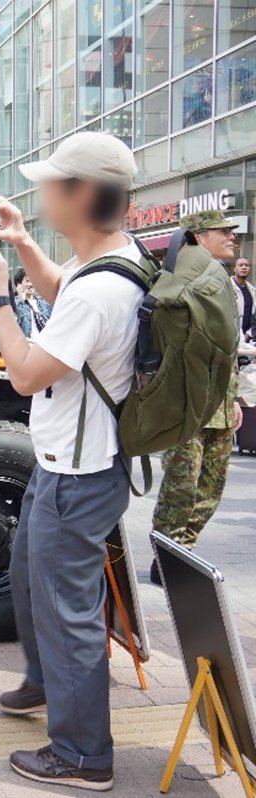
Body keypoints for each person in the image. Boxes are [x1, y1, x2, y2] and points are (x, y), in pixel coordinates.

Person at [0, 132, 144, 791]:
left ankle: (82, 755)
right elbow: (61, 287)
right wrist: (20, 245)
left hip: (78, 474)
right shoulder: (109, 262)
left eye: (50, 183)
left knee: (68, 609)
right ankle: (46, 685)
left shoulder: (101, 293)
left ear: (83, 195)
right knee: (29, 577)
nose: (38, 194)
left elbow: (25, 372)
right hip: (71, 465)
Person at [149, 210, 243, 586]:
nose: (232, 238)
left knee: (210, 486)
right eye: (224, 231)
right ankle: (166, 555)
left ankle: (183, 550)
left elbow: (227, 349)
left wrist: (233, 398)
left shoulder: (225, 281)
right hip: (187, 401)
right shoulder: (178, 278)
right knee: (181, 484)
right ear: (200, 237)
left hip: (218, 403)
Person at [13, 268, 51, 338]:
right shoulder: (14, 304)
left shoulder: (43, 304)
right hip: (27, 345)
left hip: (43, 345)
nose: (31, 284)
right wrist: (21, 300)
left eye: (33, 281)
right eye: (27, 281)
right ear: (19, 284)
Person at [232, 255, 253, 343]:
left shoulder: (252, 291)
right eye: (240, 265)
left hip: (247, 339)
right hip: (231, 337)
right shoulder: (227, 287)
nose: (244, 267)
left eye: (246, 265)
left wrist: (249, 334)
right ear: (234, 269)